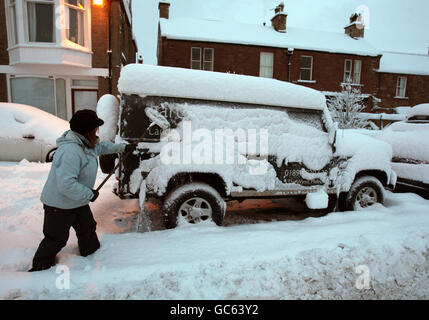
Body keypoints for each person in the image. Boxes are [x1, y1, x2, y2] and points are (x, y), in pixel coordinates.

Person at [29, 109, 136, 272]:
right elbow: (66, 184)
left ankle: (92, 257)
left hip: (76, 201)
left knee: (87, 229)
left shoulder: (86, 144)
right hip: (59, 205)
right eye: (95, 129)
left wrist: (123, 148)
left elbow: (102, 148)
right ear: (87, 130)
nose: (97, 131)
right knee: (56, 239)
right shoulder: (71, 151)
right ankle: (40, 269)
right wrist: (88, 194)